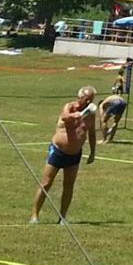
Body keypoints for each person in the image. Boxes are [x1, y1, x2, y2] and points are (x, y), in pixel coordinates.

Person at [31, 87, 96, 223]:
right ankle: (35, 215)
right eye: (87, 99)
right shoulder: (69, 107)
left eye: (91, 99)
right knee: (46, 182)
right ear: (79, 97)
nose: (89, 102)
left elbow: (91, 133)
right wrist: (75, 115)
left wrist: (92, 152)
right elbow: (65, 117)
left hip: (75, 155)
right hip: (58, 152)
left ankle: (62, 217)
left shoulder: (90, 114)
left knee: (69, 185)